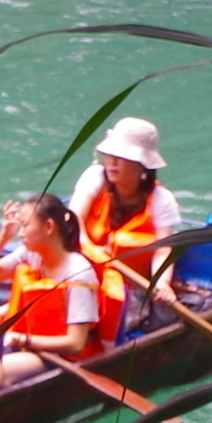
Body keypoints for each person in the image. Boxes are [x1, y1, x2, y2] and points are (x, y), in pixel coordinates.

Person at [0, 192, 109, 412]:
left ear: (49, 227)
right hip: (26, 344)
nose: (21, 233)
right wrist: (3, 238)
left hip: (61, 357)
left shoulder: (78, 273)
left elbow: (76, 343)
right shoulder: (31, 254)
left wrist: (23, 339)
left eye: (25, 226)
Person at [80, 117, 184, 312]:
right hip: (85, 273)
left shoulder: (162, 200)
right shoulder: (94, 177)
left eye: (122, 156)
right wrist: (87, 245)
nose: (113, 161)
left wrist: (161, 282)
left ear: (142, 165)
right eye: (111, 154)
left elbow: (163, 250)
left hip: (128, 287)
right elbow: (73, 217)